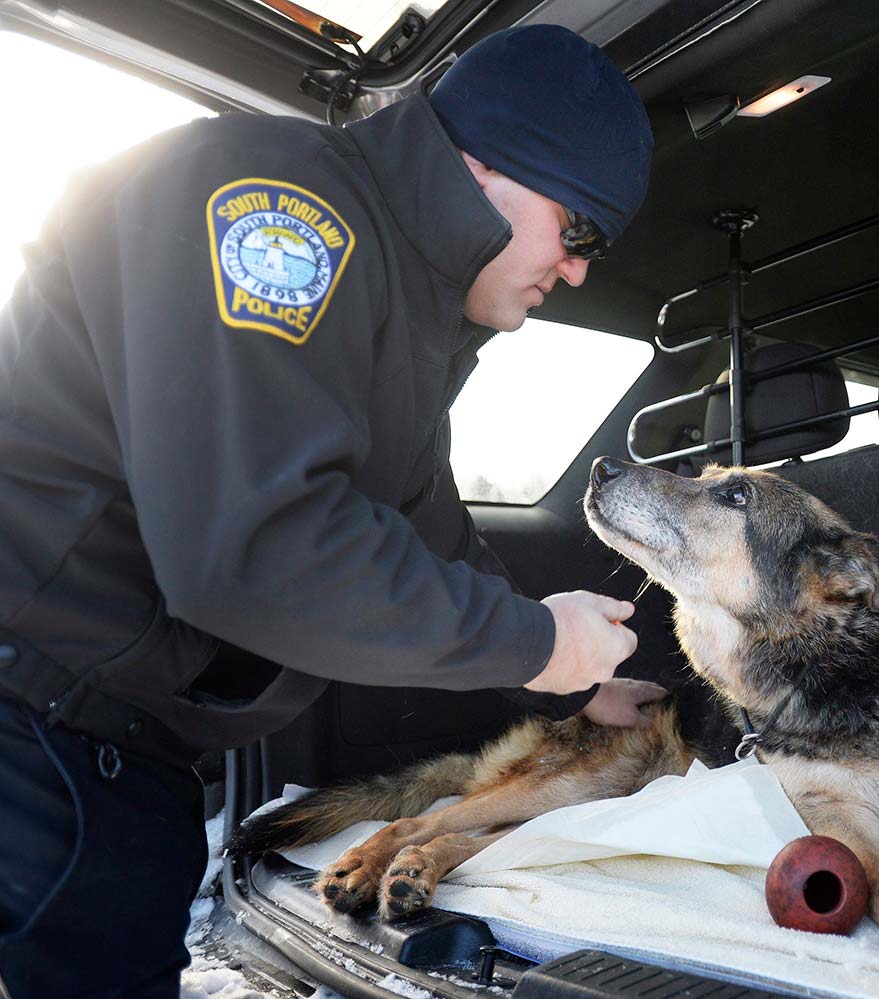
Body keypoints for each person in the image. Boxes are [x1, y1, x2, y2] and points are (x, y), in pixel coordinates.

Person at [0, 24, 662, 998]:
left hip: (112, 758)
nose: (576, 272)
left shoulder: (401, 313)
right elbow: (252, 550)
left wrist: (574, 689)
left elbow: (425, 531)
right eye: (581, 232)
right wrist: (533, 643)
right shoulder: (284, 213)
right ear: (488, 170)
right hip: (36, 742)